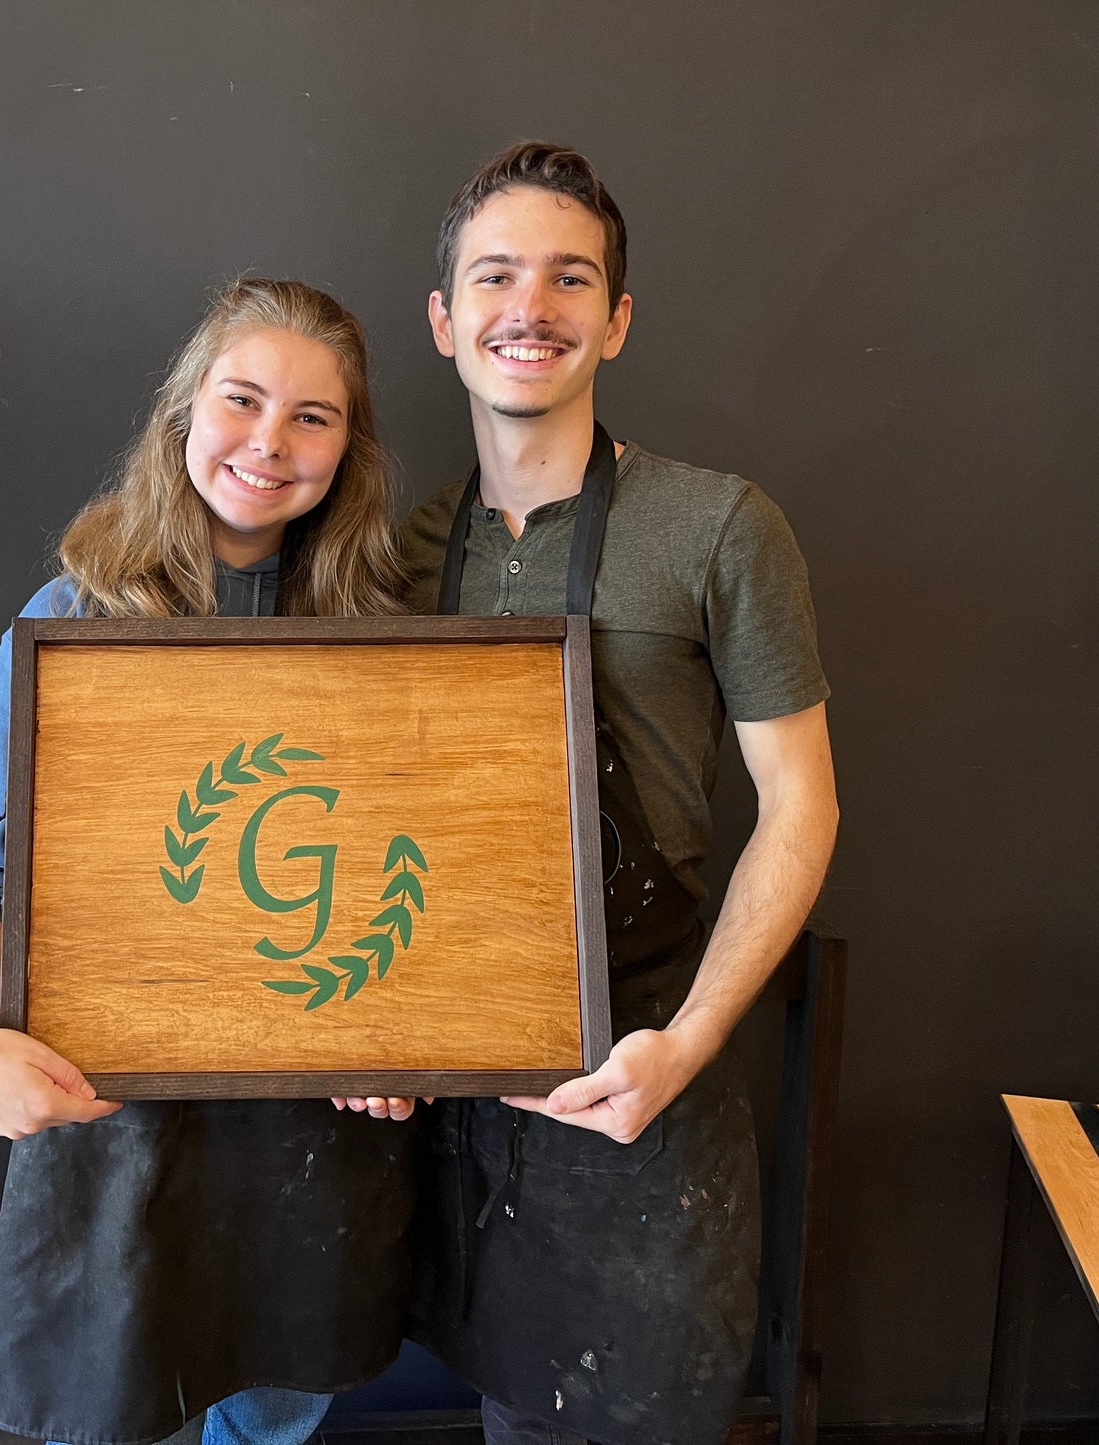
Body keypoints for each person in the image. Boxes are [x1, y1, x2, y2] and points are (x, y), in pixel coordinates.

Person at [0, 277, 419, 1445]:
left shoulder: (384, 642)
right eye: (242, 399)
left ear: (349, 449)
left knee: (268, 1420)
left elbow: (420, 886)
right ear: (184, 411)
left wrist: (409, 1038)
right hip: (114, 1139)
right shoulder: (74, 620)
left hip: (307, 1152)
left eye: (313, 416)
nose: (268, 441)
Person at [392, 143, 840, 1445]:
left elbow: (800, 806)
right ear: (444, 320)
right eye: (494, 276)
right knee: (509, 1415)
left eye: (568, 276)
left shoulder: (719, 527)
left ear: (617, 317)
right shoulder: (397, 551)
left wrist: (688, 1041)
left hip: (659, 1075)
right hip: (457, 1107)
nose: (529, 306)